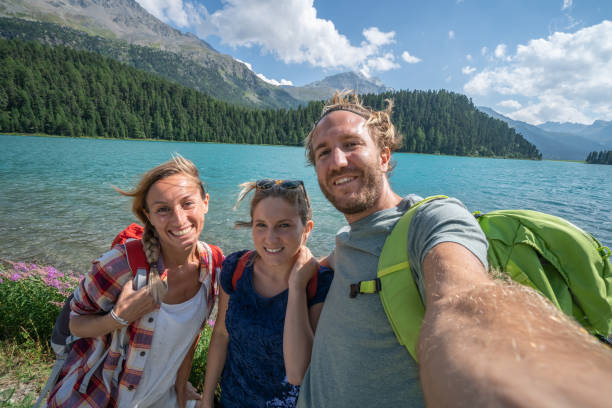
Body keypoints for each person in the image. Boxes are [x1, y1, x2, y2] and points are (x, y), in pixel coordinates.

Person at [296, 92, 612, 407]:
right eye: (324, 152)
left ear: (383, 157)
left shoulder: (431, 221)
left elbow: (463, 303)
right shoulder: (346, 239)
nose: (337, 161)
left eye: (351, 144)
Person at [47, 155, 223, 408]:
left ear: (205, 203)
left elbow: (191, 336)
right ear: (148, 215)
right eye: (163, 209)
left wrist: (180, 385)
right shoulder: (120, 264)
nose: (179, 219)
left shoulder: (214, 264)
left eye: (188, 204)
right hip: (99, 397)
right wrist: (117, 318)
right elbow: (75, 324)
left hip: (163, 397)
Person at [202, 179, 333, 408]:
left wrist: (296, 286)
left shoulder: (318, 283)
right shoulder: (236, 269)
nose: (270, 238)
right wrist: (206, 399)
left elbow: (301, 370)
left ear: (307, 229)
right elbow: (222, 335)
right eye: (261, 225)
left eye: (284, 225)